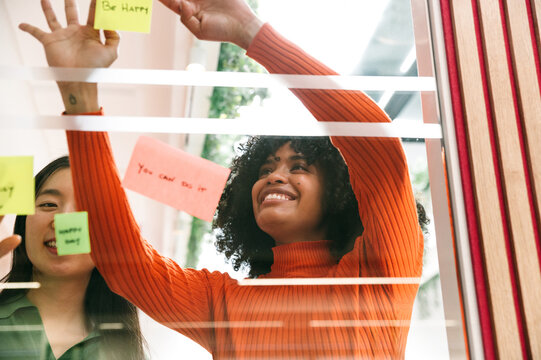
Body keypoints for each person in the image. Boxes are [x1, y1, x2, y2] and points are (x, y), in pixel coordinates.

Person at [21, 0, 426, 357]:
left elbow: (375, 145)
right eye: (265, 170)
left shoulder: (379, 275)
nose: (274, 177)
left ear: (341, 193)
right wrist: (81, 97)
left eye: (297, 166)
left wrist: (252, 33)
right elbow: (125, 264)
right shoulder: (224, 303)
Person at [0, 156, 146, 360]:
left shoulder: (123, 351)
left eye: (86, 210)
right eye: (49, 204)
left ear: (109, 238)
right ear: (24, 223)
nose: (63, 220)